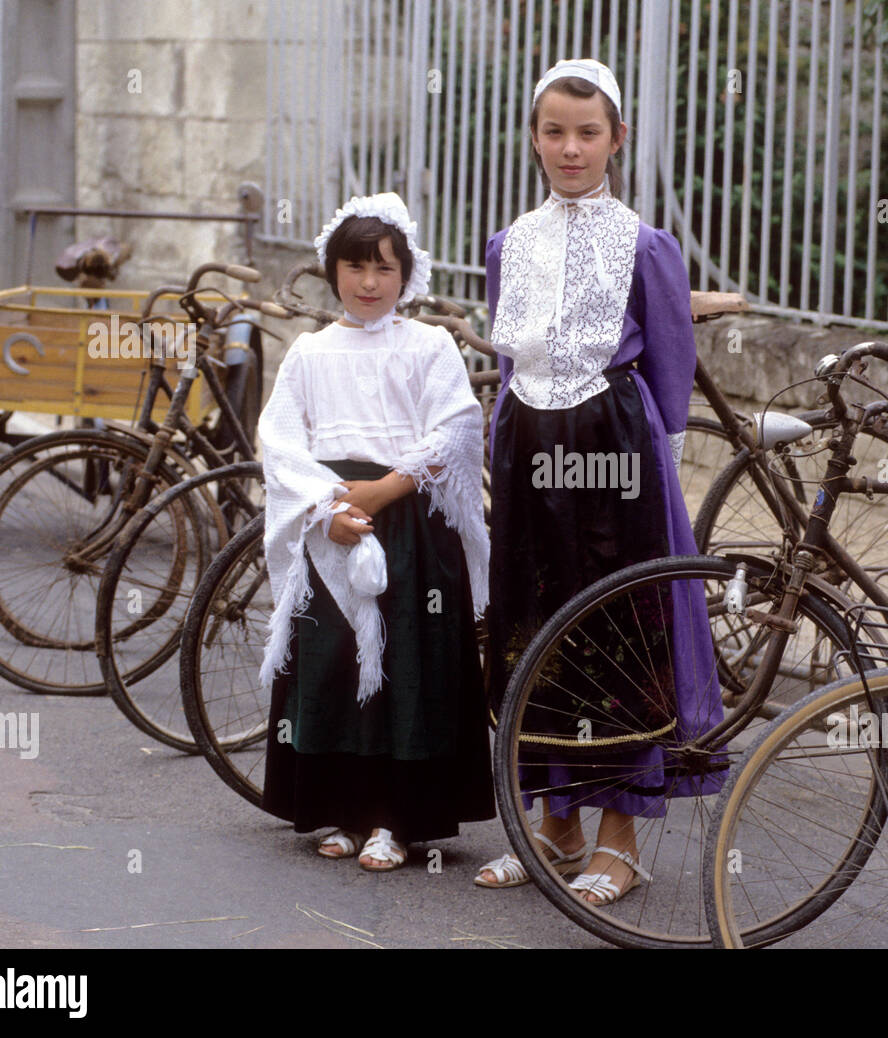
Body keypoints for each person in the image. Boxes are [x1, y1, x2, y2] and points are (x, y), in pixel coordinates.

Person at [474, 59, 721, 904]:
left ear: (618, 138)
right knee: (531, 626)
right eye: (554, 131)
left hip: (614, 451)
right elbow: (511, 361)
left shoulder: (646, 245)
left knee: (619, 636)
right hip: (527, 447)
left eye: (588, 132)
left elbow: (671, 365)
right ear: (534, 138)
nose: (570, 148)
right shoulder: (510, 243)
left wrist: (661, 469)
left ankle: (620, 839)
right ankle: (554, 826)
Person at [258, 192, 494, 871]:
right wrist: (323, 508)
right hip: (332, 522)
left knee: (401, 666)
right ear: (332, 270)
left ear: (406, 275)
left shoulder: (428, 346)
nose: (368, 283)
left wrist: (388, 486)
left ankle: (395, 819)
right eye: (355, 267)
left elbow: (454, 429)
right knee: (332, 666)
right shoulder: (309, 353)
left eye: (383, 269)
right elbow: (280, 441)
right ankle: (334, 806)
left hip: (409, 525)